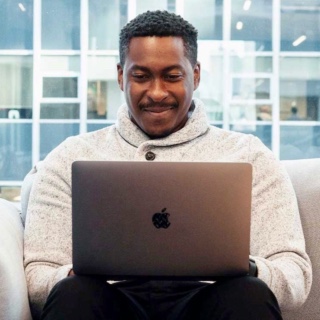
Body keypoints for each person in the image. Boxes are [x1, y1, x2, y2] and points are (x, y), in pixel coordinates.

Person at [24, 10, 312, 320]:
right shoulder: (69, 157)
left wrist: (246, 266)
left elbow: (294, 274)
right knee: (73, 294)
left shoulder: (250, 156)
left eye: (172, 76)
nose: (157, 92)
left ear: (196, 75)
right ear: (121, 76)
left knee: (249, 294)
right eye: (141, 76)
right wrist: (75, 272)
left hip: (212, 304)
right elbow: (38, 274)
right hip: (108, 304)